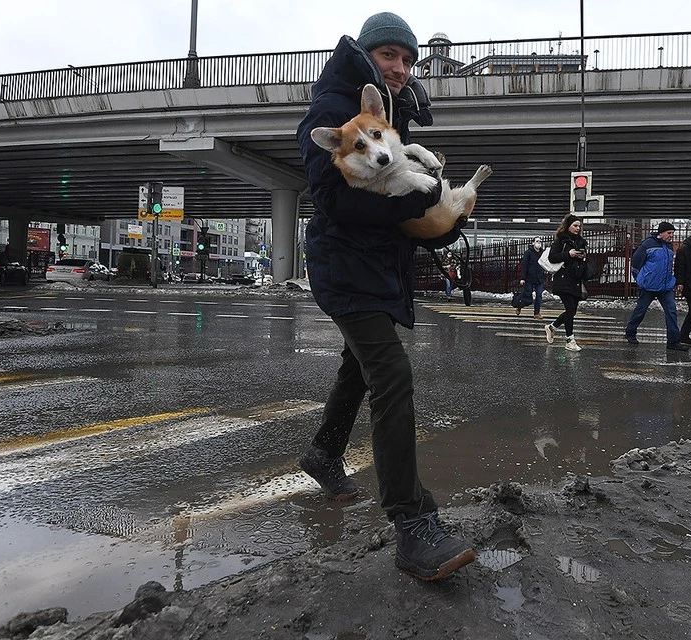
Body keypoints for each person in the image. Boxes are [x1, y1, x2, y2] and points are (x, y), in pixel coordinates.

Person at [295, 12, 475, 581]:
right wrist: (410, 207)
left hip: (375, 268)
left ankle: (324, 453)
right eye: (390, 55)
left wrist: (444, 222)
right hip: (343, 268)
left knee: (359, 365)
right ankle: (411, 521)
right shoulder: (333, 111)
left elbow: (403, 200)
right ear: (367, 55)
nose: (401, 68)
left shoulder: (390, 115)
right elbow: (337, 202)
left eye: (408, 59)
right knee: (390, 373)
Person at [624, 221, 691, 351]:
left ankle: (673, 341)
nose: (671, 235)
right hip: (648, 286)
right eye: (669, 233)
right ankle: (630, 332)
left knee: (671, 312)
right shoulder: (648, 244)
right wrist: (639, 279)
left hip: (665, 287)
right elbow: (636, 263)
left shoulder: (669, 247)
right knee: (640, 310)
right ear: (661, 233)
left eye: (672, 233)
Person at [544, 215, 589, 350]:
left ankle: (552, 327)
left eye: (579, 226)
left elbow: (580, 260)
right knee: (570, 309)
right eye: (575, 225)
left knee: (572, 311)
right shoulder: (561, 240)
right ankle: (570, 340)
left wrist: (582, 256)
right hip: (563, 280)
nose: (577, 228)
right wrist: (569, 254)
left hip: (576, 279)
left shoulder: (581, 241)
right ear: (568, 226)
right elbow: (552, 257)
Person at [518, 238, 546, 318]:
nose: (539, 243)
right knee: (527, 295)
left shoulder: (542, 253)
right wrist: (523, 278)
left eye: (540, 241)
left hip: (539, 278)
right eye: (537, 241)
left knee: (539, 295)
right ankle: (519, 306)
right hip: (529, 277)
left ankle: (536, 313)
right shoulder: (528, 253)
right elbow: (524, 266)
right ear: (533, 243)